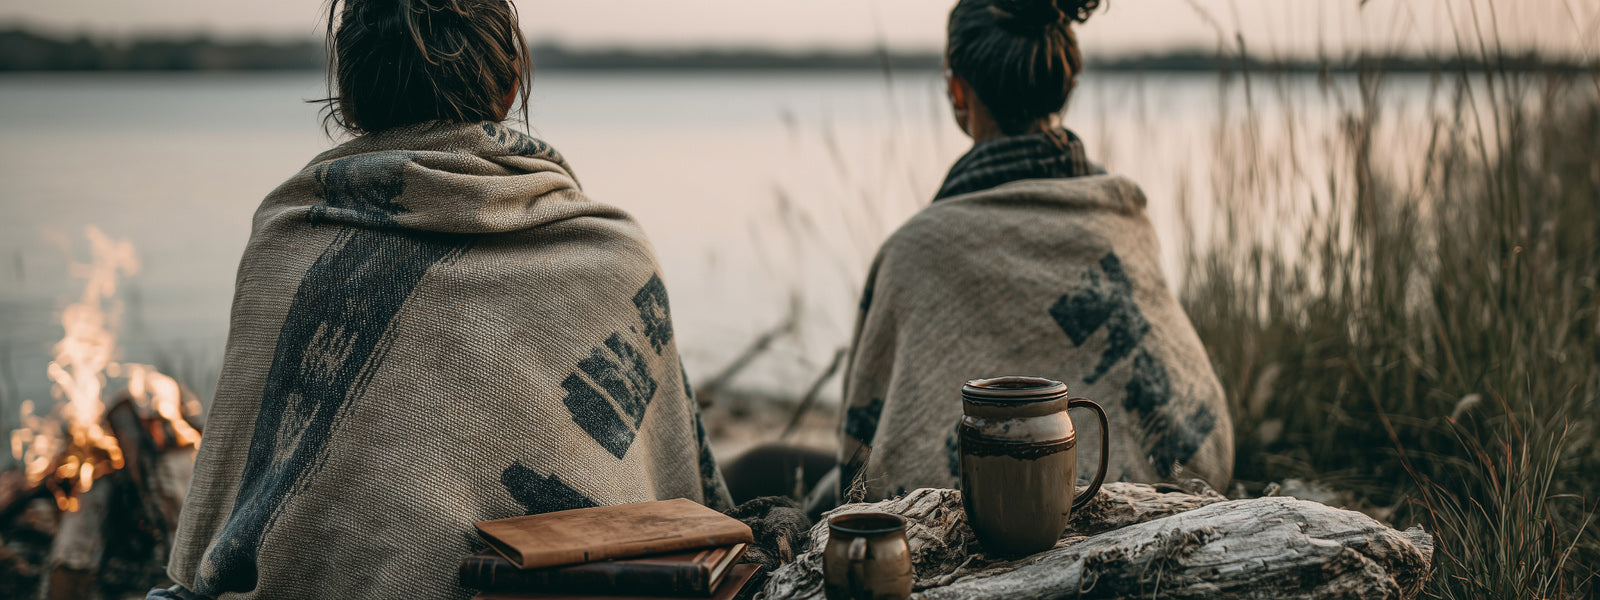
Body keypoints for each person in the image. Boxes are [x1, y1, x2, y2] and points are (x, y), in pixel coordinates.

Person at [152, 1, 729, 598]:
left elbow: (233, 516)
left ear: (348, 96)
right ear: (511, 85)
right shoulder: (612, 254)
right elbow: (674, 510)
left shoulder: (287, 238)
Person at [828, 0, 1233, 507]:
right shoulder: (1124, 215)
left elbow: (860, 450)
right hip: (1173, 495)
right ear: (1065, 81)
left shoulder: (916, 249)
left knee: (766, 467)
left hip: (990, 517)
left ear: (958, 90)